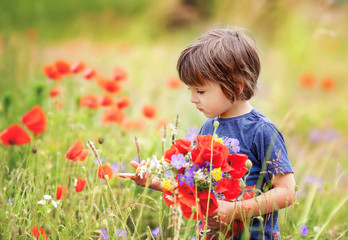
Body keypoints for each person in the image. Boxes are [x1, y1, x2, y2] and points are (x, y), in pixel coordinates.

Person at [119, 28, 296, 240]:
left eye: (200, 91)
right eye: (190, 90)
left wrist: (233, 211)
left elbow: (286, 192)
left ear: (236, 86)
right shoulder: (207, 130)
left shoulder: (261, 130)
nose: (193, 99)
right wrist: (155, 182)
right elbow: (194, 187)